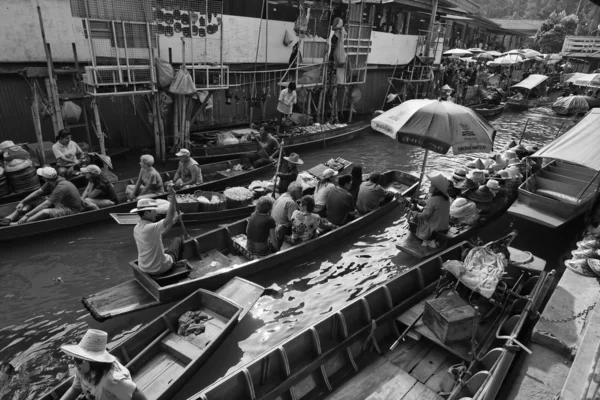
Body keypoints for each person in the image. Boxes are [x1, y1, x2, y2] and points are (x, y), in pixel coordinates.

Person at [59, 329, 148, 400]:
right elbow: (75, 389)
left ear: (93, 362)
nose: (75, 364)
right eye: (75, 359)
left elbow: (138, 396)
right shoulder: (82, 370)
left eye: (78, 360)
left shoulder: (112, 381)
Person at [0, 167, 83, 226]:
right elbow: (38, 192)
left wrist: (26, 216)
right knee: (32, 200)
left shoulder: (61, 187)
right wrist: (23, 202)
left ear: (44, 178)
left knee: (44, 211)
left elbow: (45, 205)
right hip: (59, 203)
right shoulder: (53, 180)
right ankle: (10, 218)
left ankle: (19, 224)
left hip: (71, 209)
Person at [131, 186, 184, 276]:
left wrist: (173, 221)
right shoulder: (150, 228)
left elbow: (162, 234)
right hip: (159, 268)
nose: (156, 213)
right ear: (147, 213)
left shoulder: (136, 228)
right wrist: (173, 197)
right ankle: (177, 265)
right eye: (154, 211)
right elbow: (168, 217)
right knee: (178, 239)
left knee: (167, 249)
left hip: (143, 267)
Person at [409, 174, 450, 248]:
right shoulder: (446, 198)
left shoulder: (433, 200)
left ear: (437, 189)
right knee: (419, 212)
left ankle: (423, 237)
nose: (429, 187)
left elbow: (423, 216)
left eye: (432, 186)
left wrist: (411, 212)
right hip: (444, 225)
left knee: (415, 220)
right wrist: (418, 201)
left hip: (435, 228)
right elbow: (428, 203)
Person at [271, 182, 302, 249]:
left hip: (275, 224)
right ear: (294, 192)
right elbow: (293, 221)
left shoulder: (283, 195)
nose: (301, 193)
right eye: (300, 191)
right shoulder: (292, 203)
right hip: (282, 228)